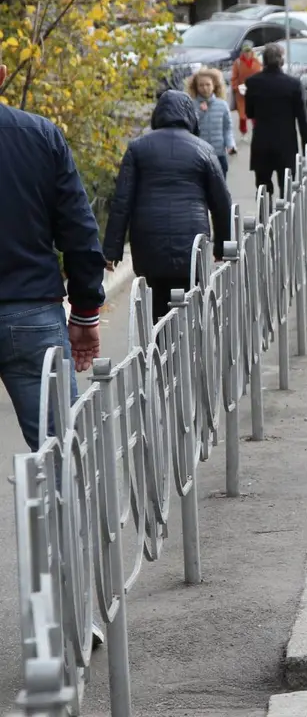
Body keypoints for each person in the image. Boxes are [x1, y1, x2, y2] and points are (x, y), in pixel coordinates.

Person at [0, 62, 105, 450]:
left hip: (32, 310)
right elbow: (78, 230)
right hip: (31, 313)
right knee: (60, 449)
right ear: (2, 74)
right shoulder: (39, 135)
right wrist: (85, 313)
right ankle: (70, 511)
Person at [102, 91, 233, 323]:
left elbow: (122, 201)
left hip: (149, 242)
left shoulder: (137, 149)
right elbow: (221, 202)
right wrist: (222, 246)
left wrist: (112, 250)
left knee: (157, 303)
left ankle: (161, 351)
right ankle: (188, 348)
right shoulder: (203, 149)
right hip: (192, 242)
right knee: (191, 298)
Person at [243, 43, 307, 198]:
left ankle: (264, 219)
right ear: (282, 61)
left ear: (264, 61)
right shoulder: (293, 84)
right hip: (286, 144)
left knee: (263, 187)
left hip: (262, 142)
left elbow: (249, 113)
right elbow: (303, 120)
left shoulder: (253, 83)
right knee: (287, 188)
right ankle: (287, 221)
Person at [187, 67, 236, 177]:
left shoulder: (222, 105)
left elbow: (227, 128)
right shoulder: (191, 105)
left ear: (214, 85)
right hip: (199, 155)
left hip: (219, 154)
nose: (205, 88)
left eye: (208, 84)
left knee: (221, 188)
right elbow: (189, 129)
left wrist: (230, 145)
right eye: (201, 85)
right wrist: (200, 112)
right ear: (196, 87)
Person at [231, 41, 262, 136]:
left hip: (255, 91)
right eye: (245, 51)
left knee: (255, 113)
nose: (247, 53)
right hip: (242, 92)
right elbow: (234, 78)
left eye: (249, 51)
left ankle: (256, 131)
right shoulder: (238, 62)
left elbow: (262, 75)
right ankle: (243, 131)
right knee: (242, 115)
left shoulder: (258, 61)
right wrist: (237, 87)